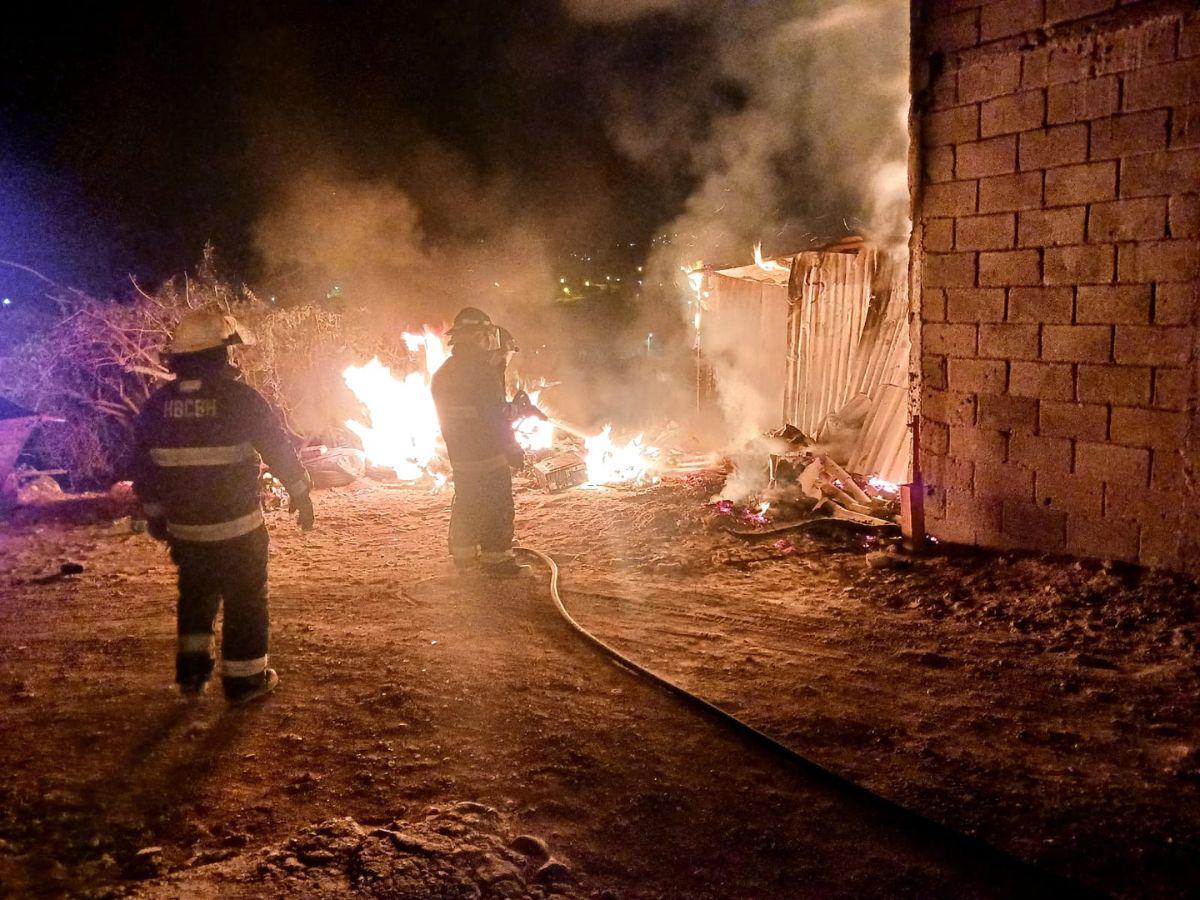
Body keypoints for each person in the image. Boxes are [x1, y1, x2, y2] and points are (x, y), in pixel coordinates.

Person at [130, 310, 315, 702]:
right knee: (246, 598)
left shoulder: (157, 405)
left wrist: (156, 515)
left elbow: (142, 467)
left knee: (196, 595)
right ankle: (245, 679)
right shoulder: (241, 399)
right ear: (220, 355)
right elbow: (278, 449)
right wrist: (300, 492)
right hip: (238, 529)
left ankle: (193, 674)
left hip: (186, 531)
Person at [431, 307, 528, 576]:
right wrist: (513, 444)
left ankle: (464, 555)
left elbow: (469, 414)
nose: (489, 342)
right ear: (476, 337)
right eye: (485, 336)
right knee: (497, 506)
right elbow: (495, 418)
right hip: (489, 455)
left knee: (467, 501)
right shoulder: (482, 374)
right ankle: (498, 561)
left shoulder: (443, 374)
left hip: (460, 457)